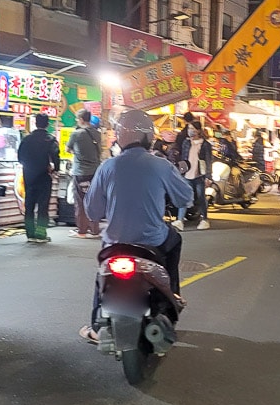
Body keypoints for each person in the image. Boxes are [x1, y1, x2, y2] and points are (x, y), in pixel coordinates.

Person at [79, 109, 194, 344]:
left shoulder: (107, 167)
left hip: (114, 243)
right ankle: (172, 296)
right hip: (152, 242)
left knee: (102, 273)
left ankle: (95, 325)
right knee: (175, 239)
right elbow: (186, 198)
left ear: (120, 137)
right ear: (149, 137)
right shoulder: (160, 165)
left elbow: (92, 212)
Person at [17, 113, 60, 243]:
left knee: (29, 205)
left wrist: (30, 166)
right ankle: (41, 234)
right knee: (43, 206)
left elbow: (20, 158)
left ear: (35, 123)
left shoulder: (26, 139)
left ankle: (30, 234)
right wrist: (55, 168)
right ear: (47, 124)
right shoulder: (50, 139)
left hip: (29, 176)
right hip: (44, 176)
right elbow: (56, 156)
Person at [68, 109, 102, 239]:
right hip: (95, 172)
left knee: (80, 201)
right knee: (93, 200)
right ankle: (94, 229)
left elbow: (68, 149)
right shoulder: (97, 133)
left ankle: (82, 230)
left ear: (81, 119)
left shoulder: (76, 134)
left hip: (80, 172)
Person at [174, 120, 212, 231]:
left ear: (199, 130)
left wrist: (208, 177)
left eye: (193, 129)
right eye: (189, 128)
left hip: (199, 175)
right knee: (185, 196)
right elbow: (183, 158)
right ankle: (180, 220)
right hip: (187, 174)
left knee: (201, 197)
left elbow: (209, 160)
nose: (190, 131)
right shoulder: (186, 143)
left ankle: (204, 219)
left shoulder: (205, 144)